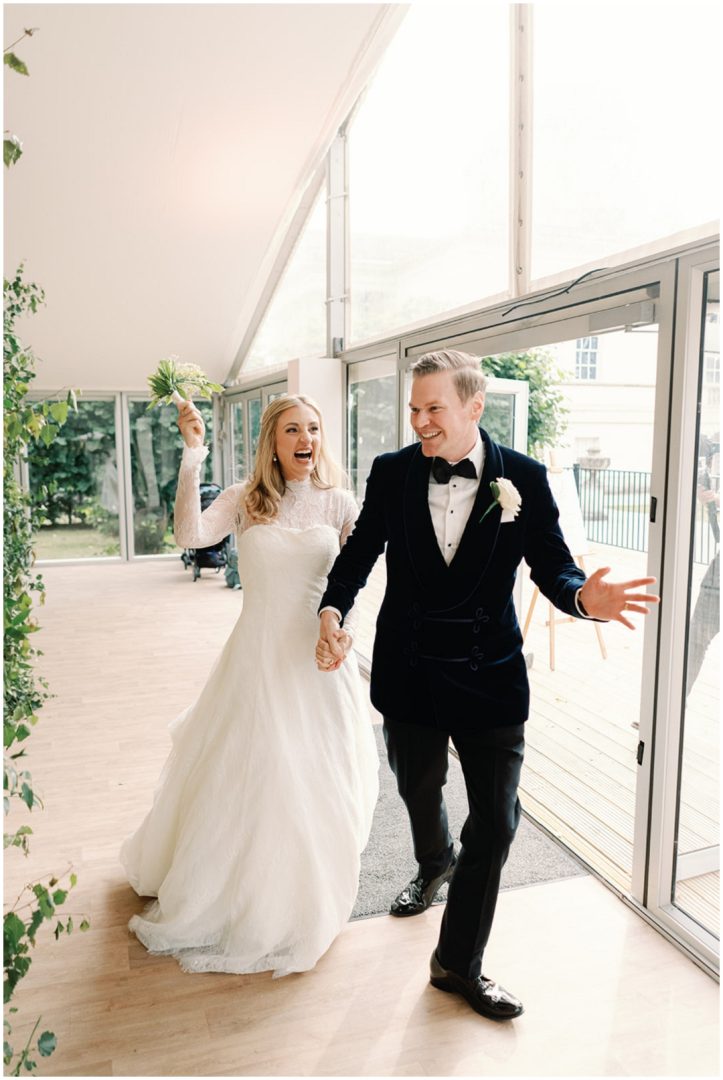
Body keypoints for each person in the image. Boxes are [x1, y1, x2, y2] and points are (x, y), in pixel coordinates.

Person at [316, 350, 659, 1020]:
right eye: (413, 410)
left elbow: (553, 570)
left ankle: (456, 963)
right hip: (409, 672)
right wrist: (331, 610)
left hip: (488, 677)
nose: (419, 422)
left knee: (497, 826)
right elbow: (358, 554)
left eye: (433, 408)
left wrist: (585, 600)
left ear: (473, 406)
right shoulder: (390, 474)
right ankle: (431, 859)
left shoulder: (523, 479)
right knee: (417, 788)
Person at [121, 394, 379, 976]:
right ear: (272, 440)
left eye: (313, 428)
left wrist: (343, 636)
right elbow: (191, 535)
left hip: (317, 662)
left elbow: (355, 579)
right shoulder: (245, 499)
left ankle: (309, 884)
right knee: (254, 773)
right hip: (255, 661)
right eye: (293, 429)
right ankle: (245, 890)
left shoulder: (341, 502)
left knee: (316, 774)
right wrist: (193, 454)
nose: (305, 438)